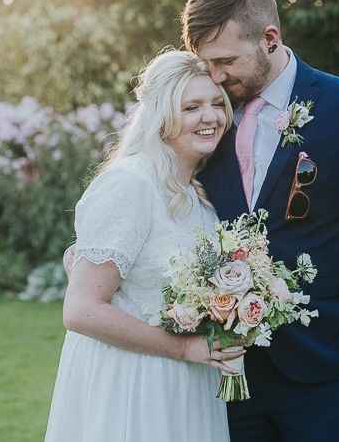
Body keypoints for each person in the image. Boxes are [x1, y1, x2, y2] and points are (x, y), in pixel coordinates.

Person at [181, 0, 339, 441]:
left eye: (226, 61)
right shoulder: (208, 115)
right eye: (207, 63)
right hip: (230, 373)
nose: (216, 76)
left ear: (269, 37)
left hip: (328, 373)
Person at [44, 50, 244, 441]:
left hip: (187, 388)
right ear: (162, 115)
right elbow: (81, 310)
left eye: (217, 104)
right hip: (133, 386)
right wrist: (184, 349)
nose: (211, 117)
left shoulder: (199, 199)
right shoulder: (132, 183)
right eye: (192, 107)